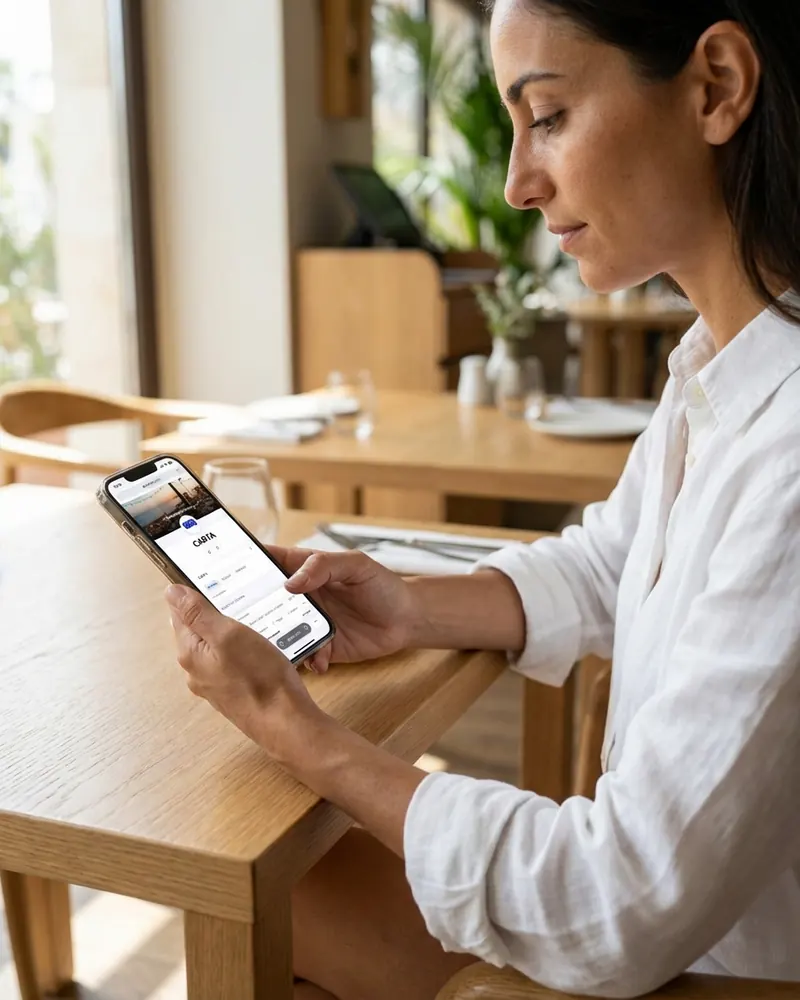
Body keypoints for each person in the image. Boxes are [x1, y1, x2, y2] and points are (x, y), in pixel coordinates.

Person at [165, 1, 800, 997]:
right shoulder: (717, 370)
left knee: (255, 879)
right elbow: (609, 557)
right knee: (281, 875)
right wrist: (411, 601)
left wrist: (302, 732)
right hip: (684, 931)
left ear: (714, 85)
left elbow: (618, 894)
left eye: (545, 115)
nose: (514, 182)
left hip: (718, 967)